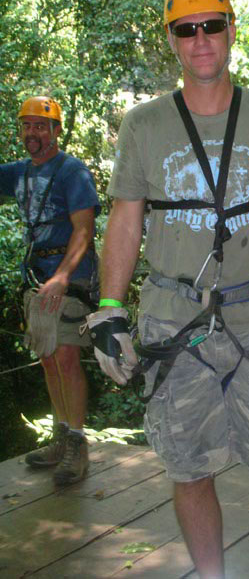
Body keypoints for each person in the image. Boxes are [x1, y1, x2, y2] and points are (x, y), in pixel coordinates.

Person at [87, 0, 249, 578]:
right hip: (174, 317)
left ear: (230, 30)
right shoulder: (143, 125)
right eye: (185, 29)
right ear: (171, 40)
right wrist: (109, 309)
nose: (201, 40)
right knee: (190, 472)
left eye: (211, 25)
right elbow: (124, 219)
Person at [0, 96, 101, 485]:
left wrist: (62, 276)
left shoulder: (71, 171)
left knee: (65, 355)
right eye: (27, 126)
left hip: (70, 273)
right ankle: (61, 437)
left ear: (56, 131)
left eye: (41, 126)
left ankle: (77, 443)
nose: (33, 133)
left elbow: (84, 229)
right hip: (36, 274)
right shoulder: (19, 173)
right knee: (47, 356)